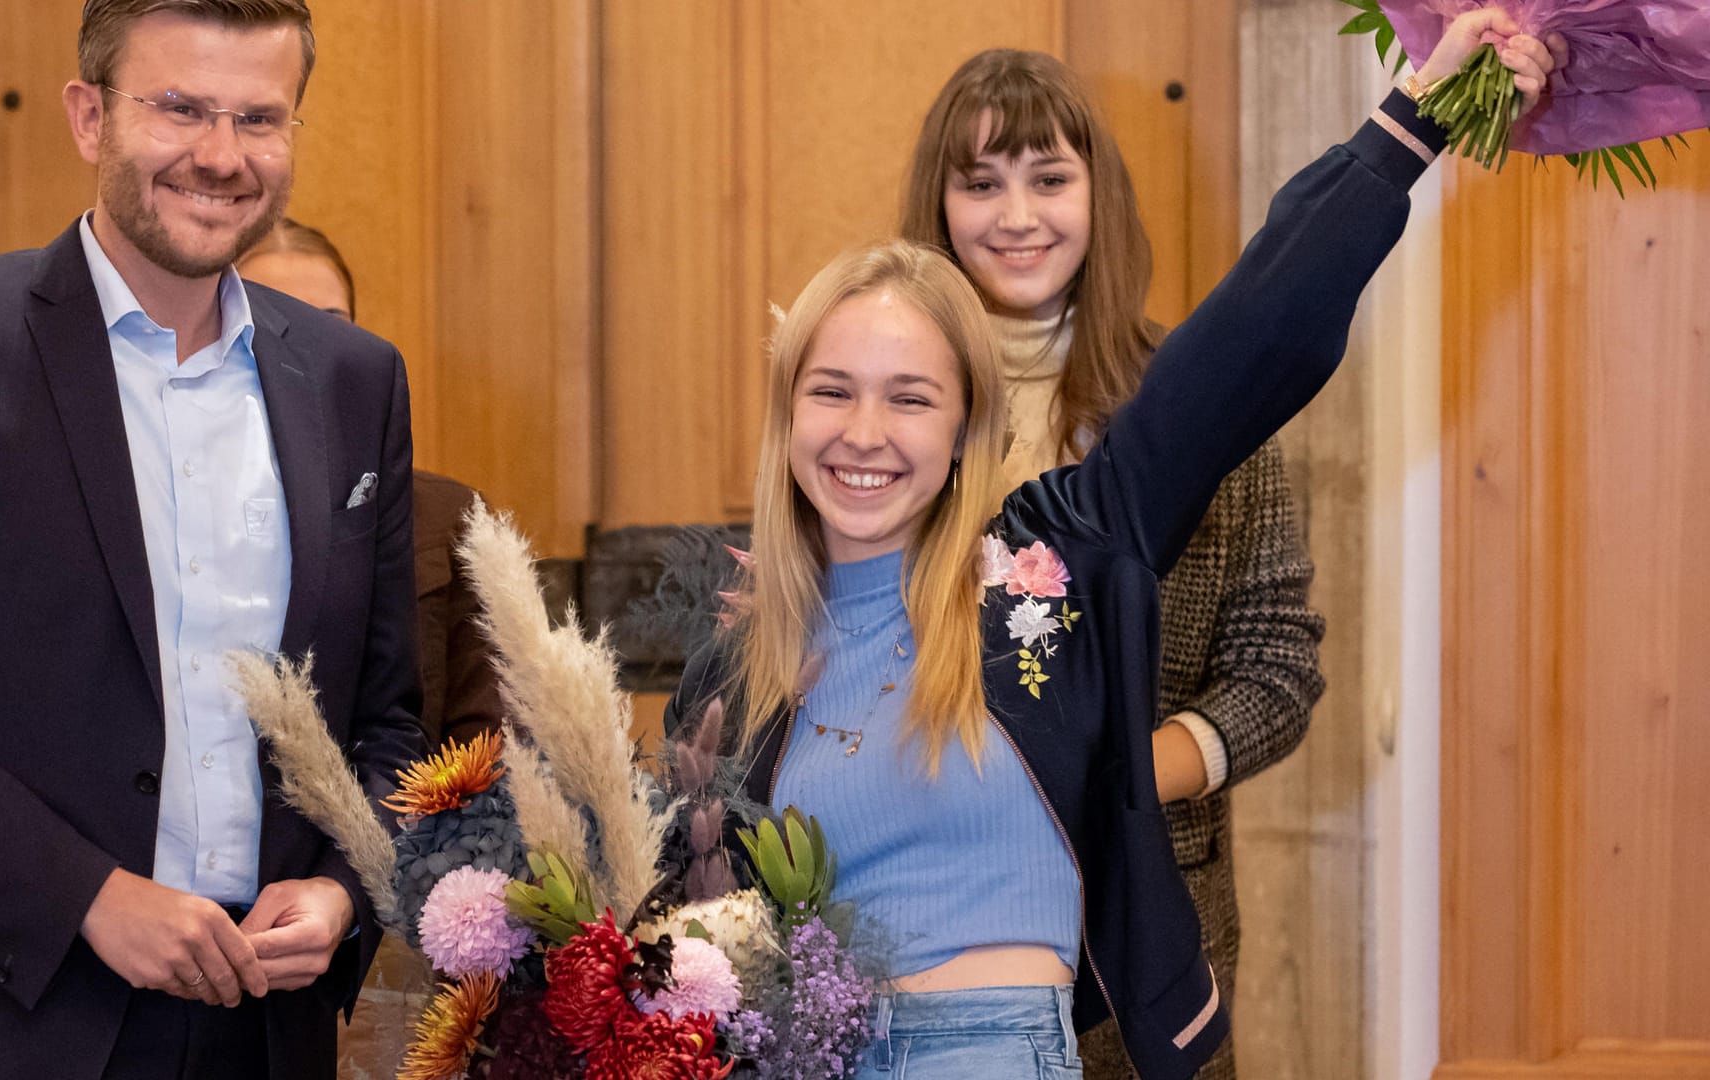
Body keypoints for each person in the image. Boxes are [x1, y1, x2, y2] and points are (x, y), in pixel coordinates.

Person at [665, 13, 1558, 1080]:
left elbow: (1256, 331)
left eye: (910, 398)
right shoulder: (736, 663)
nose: (864, 433)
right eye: (830, 393)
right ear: (785, 420)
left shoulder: (1044, 569)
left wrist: (1416, 112)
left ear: (965, 435)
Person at [0, 1, 425, 1076]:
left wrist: (340, 887)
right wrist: (85, 897)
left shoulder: (357, 379)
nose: (222, 157)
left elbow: (388, 722)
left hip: (258, 1033)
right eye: (178, 108)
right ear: (89, 116)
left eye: (260, 119)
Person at [898, 47, 1326, 1079]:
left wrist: (1116, 780)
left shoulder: (1202, 406)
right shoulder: (885, 415)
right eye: (981, 183)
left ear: (1100, 195)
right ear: (938, 206)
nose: (1017, 215)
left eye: (1049, 179)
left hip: (1147, 929)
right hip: (924, 924)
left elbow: (1277, 674)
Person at [238, 219, 506, 748]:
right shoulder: (181, 505)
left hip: (411, 822)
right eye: (276, 323)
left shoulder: (445, 515)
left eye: (331, 325)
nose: (307, 349)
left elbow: (489, 742)